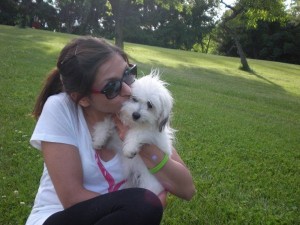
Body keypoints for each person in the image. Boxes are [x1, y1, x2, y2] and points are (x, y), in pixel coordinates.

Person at [26, 36, 195, 225]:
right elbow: (71, 198)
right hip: (61, 216)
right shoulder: (61, 107)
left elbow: (186, 189)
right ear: (83, 99)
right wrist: (137, 207)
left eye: (128, 74)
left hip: (117, 215)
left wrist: (143, 145)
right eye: (112, 86)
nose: (128, 89)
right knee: (142, 205)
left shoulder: (140, 115)